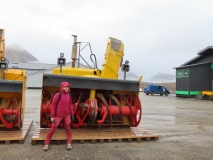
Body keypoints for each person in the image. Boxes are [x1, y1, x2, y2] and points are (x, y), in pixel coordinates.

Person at [43, 82, 75, 151]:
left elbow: (70, 105)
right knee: (53, 128)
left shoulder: (69, 95)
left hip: (67, 114)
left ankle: (69, 144)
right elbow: (53, 106)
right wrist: (52, 116)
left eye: (67, 87)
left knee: (68, 128)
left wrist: (72, 114)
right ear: (61, 87)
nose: (66, 88)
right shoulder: (58, 95)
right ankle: (46, 144)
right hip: (58, 115)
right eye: (65, 87)